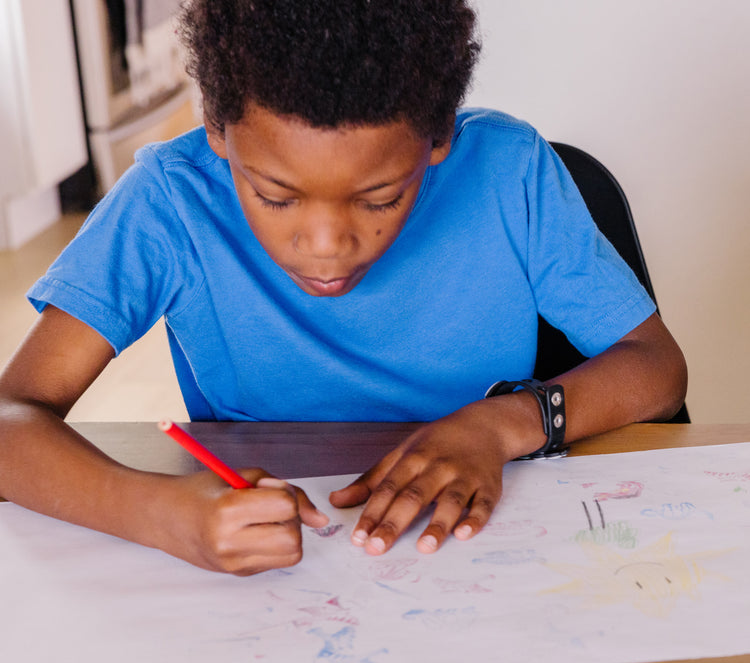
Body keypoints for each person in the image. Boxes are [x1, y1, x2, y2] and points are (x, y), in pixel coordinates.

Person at [0, 0, 687, 575]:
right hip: (274, 564)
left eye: (381, 198)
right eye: (275, 196)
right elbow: (11, 419)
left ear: (437, 137)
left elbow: (656, 367)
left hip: (488, 550)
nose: (326, 245)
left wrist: (503, 425)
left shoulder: (511, 174)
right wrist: (161, 515)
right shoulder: (169, 205)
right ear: (218, 131)